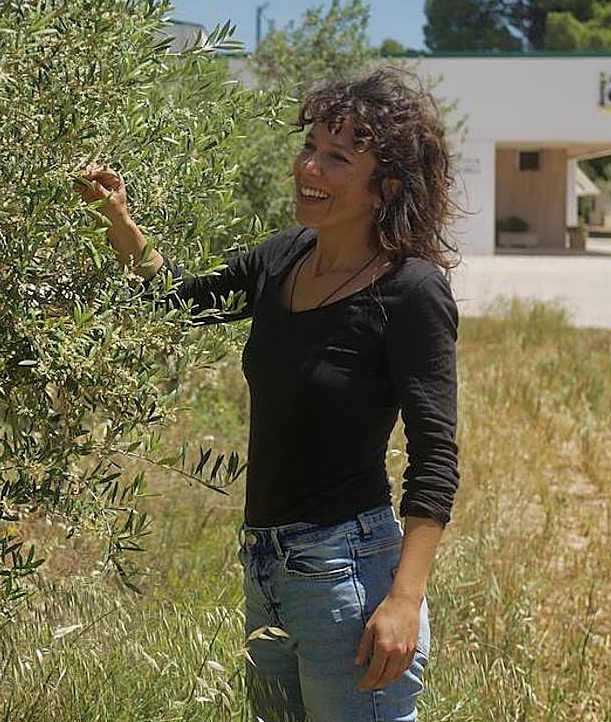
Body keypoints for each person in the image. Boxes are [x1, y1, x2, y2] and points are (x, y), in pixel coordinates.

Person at [74, 67, 460, 721]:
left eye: (337, 157)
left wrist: (405, 599)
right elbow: (184, 303)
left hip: (348, 575)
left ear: (385, 187)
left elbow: (436, 460)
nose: (309, 165)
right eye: (310, 145)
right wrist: (118, 221)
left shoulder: (410, 290)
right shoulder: (284, 257)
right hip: (267, 567)